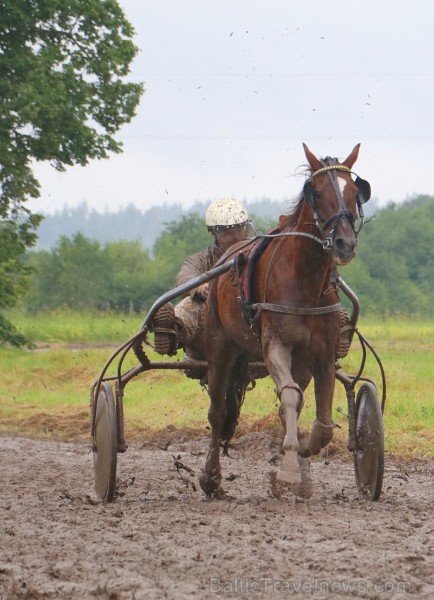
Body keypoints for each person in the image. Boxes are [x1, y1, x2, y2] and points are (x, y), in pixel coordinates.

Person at [151, 198, 253, 360]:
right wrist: (200, 289)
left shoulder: (258, 255)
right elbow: (184, 277)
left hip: (250, 330)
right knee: (191, 304)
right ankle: (171, 333)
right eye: (226, 231)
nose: (233, 235)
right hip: (210, 337)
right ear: (214, 233)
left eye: (237, 229)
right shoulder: (203, 259)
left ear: (246, 228)